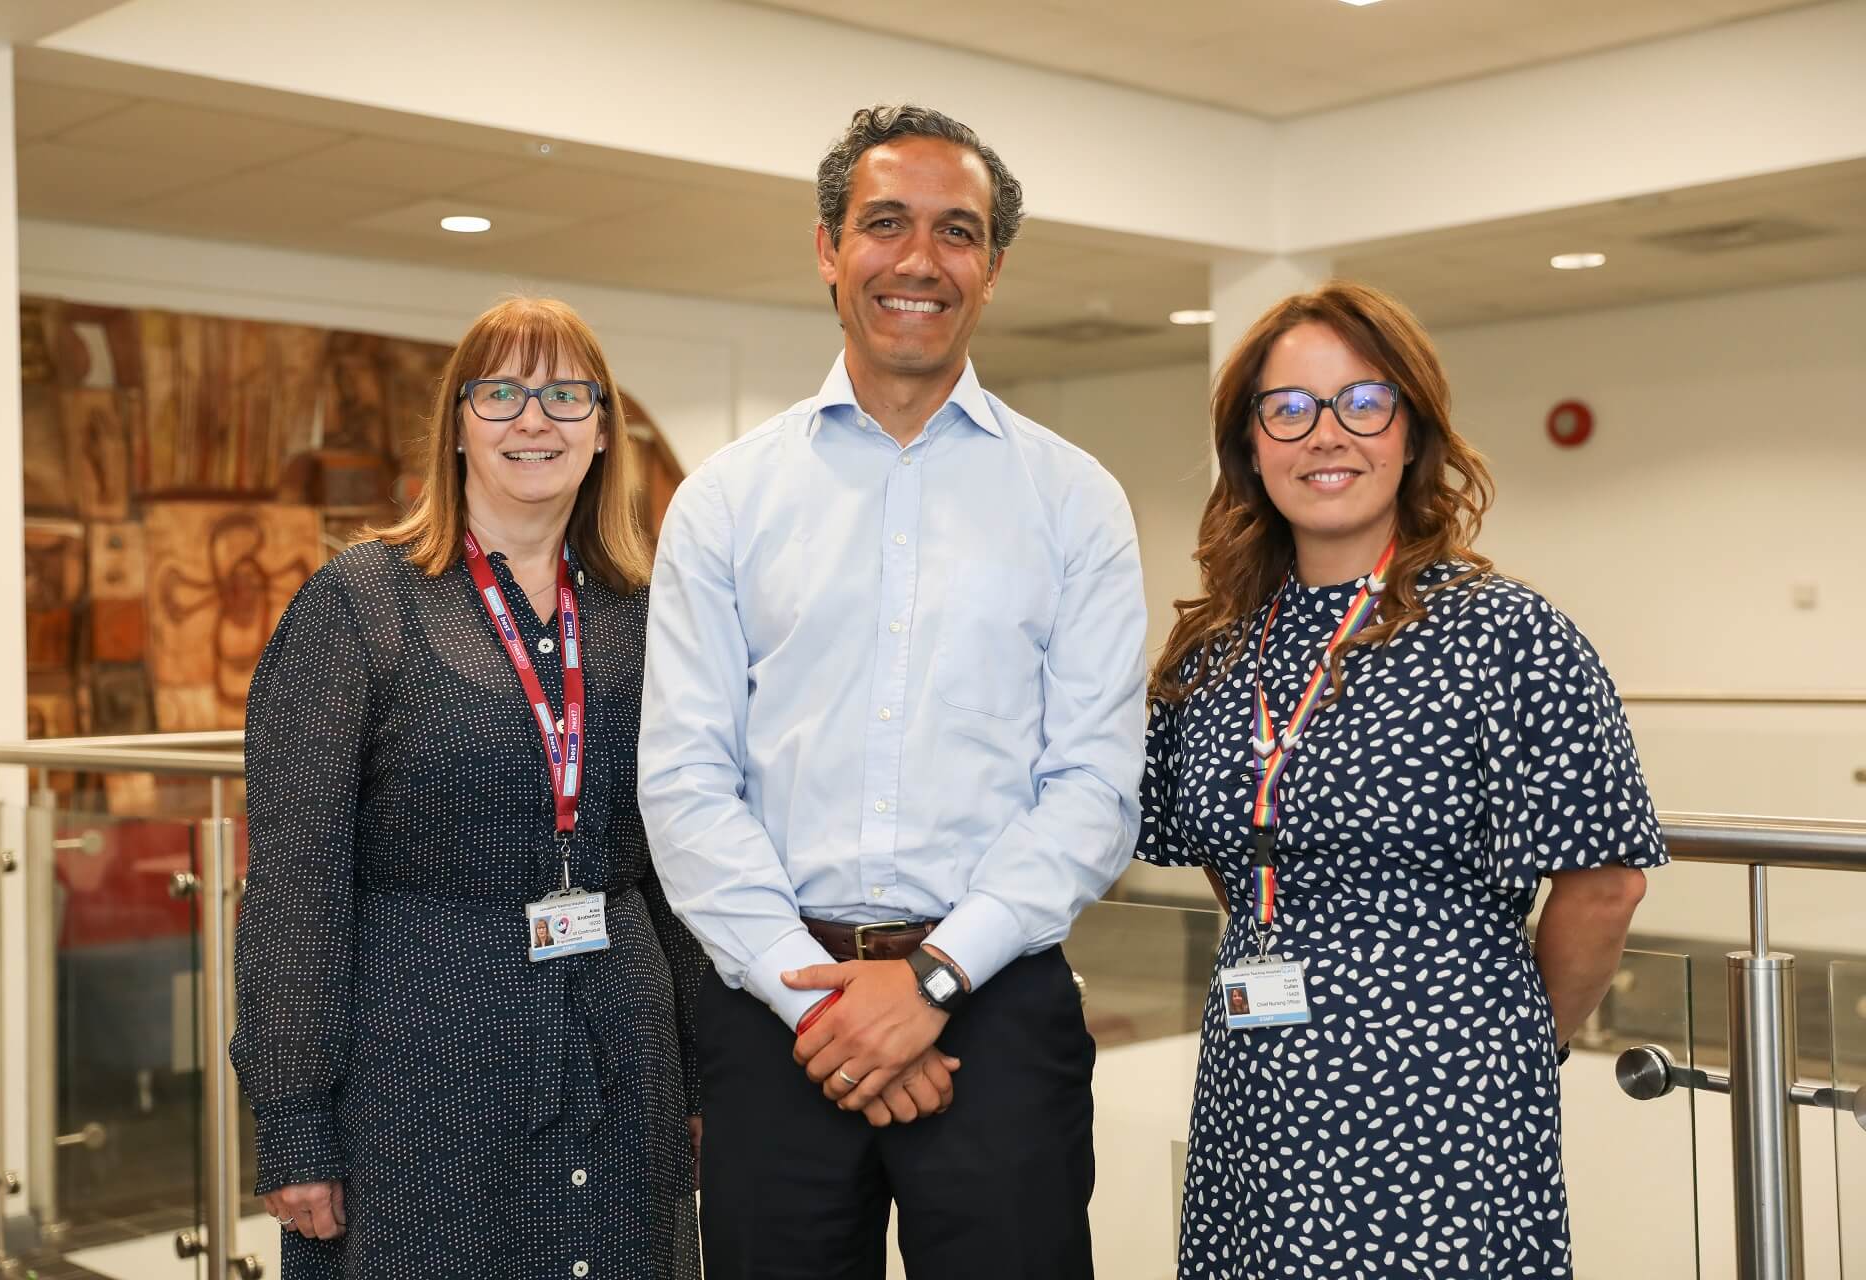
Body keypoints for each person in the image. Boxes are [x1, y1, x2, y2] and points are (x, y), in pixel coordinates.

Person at [637, 103, 1147, 1280]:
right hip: (774, 1014)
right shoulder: (726, 498)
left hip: (998, 1008)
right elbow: (683, 776)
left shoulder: (1076, 501)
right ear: (828, 247)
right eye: (885, 224)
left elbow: (1091, 786)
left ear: (994, 266)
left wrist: (932, 977)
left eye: (956, 232)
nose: (919, 260)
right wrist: (818, 1004)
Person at [1136, 279, 1665, 1277]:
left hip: (1445, 1100)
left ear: (1412, 432)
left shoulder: (1506, 635)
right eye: (1288, 408)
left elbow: (1606, 884)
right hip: (1257, 1090)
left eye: (1363, 402)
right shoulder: (1214, 649)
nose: (1325, 434)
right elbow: (1243, 853)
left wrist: (1494, 1041)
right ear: (1249, 444)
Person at [233, 297, 706, 1279]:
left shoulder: (645, 619)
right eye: (502, 393)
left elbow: (681, 867)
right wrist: (293, 1117)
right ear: (456, 423)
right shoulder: (360, 606)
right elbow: (293, 885)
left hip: (623, 1056)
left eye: (566, 394)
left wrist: (704, 1074)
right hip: (422, 1073)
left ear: (605, 428)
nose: (535, 419)